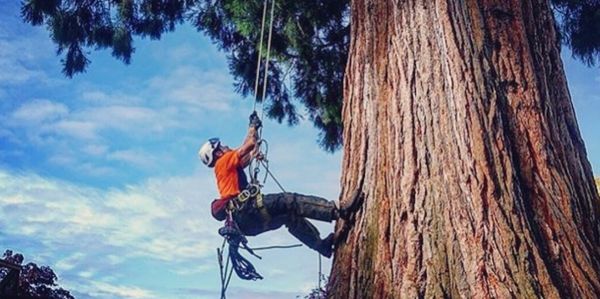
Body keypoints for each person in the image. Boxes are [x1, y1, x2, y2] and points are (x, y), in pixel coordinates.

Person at [198, 112, 362, 258]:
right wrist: (252, 127)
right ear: (217, 152)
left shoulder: (225, 167)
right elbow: (248, 145)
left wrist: (253, 152)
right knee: (290, 201)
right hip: (248, 210)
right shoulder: (223, 161)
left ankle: (321, 246)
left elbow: (245, 158)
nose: (226, 147)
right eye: (222, 146)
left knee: (290, 217)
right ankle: (338, 209)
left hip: (247, 223)